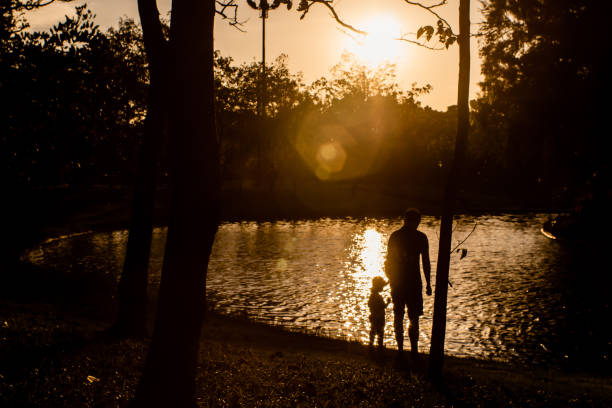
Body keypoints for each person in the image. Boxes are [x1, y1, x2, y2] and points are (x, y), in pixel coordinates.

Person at [384, 208, 432, 360]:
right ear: (415, 221)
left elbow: (388, 262)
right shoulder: (419, 237)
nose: (416, 225)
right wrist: (428, 283)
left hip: (403, 282)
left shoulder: (396, 236)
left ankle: (404, 350)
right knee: (410, 317)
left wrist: (391, 279)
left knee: (402, 316)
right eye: (416, 222)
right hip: (410, 282)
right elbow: (425, 262)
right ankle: (411, 351)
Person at [368, 276, 390, 349]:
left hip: (373, 316)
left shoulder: (372, 295)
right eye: (382, 286)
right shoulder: (379, 297)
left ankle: (371, 344)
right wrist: (388, 302)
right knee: (380, 332)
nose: (383, 288)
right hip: (380, 317)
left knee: (373, 331)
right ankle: (380, 345)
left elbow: (369, 304)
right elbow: (383, 306)